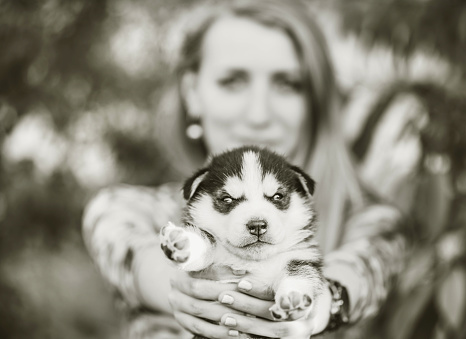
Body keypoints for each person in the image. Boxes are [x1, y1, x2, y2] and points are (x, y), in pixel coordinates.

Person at [82, 0, 409, 338]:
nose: (258, 114)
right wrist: (185, 280)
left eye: (287, 84)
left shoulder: (372, 221)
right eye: (232, 81)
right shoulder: (135, 209)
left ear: (313, 102)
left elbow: (361, 268)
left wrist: (321, 303)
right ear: (192, 93)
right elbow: (132, 250)